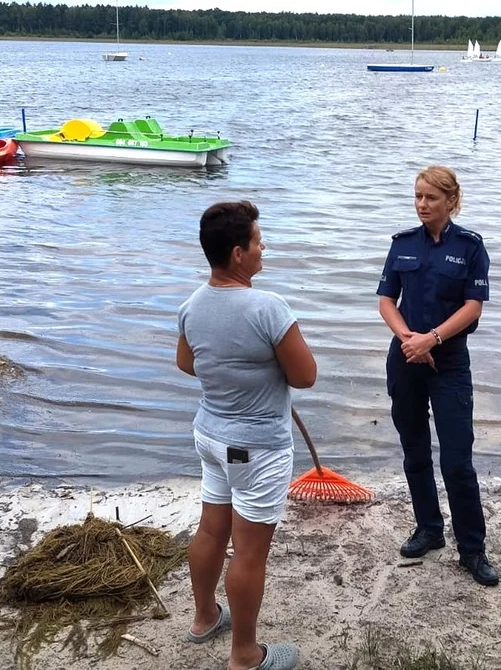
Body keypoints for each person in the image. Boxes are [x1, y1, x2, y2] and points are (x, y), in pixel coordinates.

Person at [176, 200, 317, 670]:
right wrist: (263, 369)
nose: (263, 248)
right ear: (238, 253)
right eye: (258, 242)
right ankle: (245, 655)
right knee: (250, 550)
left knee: (211, 529)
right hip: (256, 447)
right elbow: (305, 376)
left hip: (211, 437)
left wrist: (234, 370)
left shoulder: (192, 306)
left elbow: (188, 363)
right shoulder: (268, 307)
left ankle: (203, 618)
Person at [376, 165, 499, 587]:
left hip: (448, 362)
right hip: (406, 357)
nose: (422, 205)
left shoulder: (470, 247)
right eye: (417, 197)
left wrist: (431, 339)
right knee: (414, 451)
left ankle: (473, 550)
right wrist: (408, 338)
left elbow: (472, 307)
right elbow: (387, 300)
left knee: (457, 461)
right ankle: (429, 529)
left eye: (430, 198)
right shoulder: (403, 244)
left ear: (451, 201)